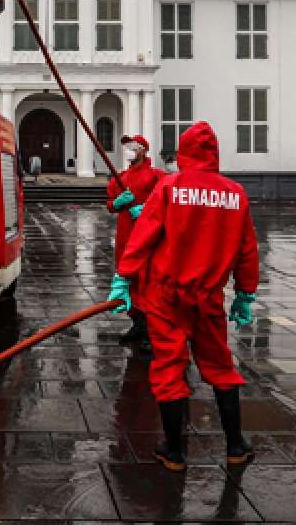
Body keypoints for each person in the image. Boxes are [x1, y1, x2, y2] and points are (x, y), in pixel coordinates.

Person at [108, 121, 260, 471]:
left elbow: (144, 236)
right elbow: (247, 250)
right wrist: (245, 293)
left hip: (166, 296)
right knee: (220, 366)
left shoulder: (169, 187)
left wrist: (123, 277)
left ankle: (174, 451)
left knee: (169, 368)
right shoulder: (235, 193)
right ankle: (235, 445)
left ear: (183, 153)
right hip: (208, 298)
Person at [105, 134, 165, 350]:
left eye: (133, 147)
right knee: (128, 280)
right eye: (127, 147)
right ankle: (138, 324)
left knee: (147, 282)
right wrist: (117, 203)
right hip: (125, 237)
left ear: (143, 150)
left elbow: (167, 200)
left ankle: (152, 330)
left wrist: (147, 208)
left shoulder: (157, 176)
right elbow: (110, 204)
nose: (129, 150)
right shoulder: (119, 178)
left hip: (148, 237)